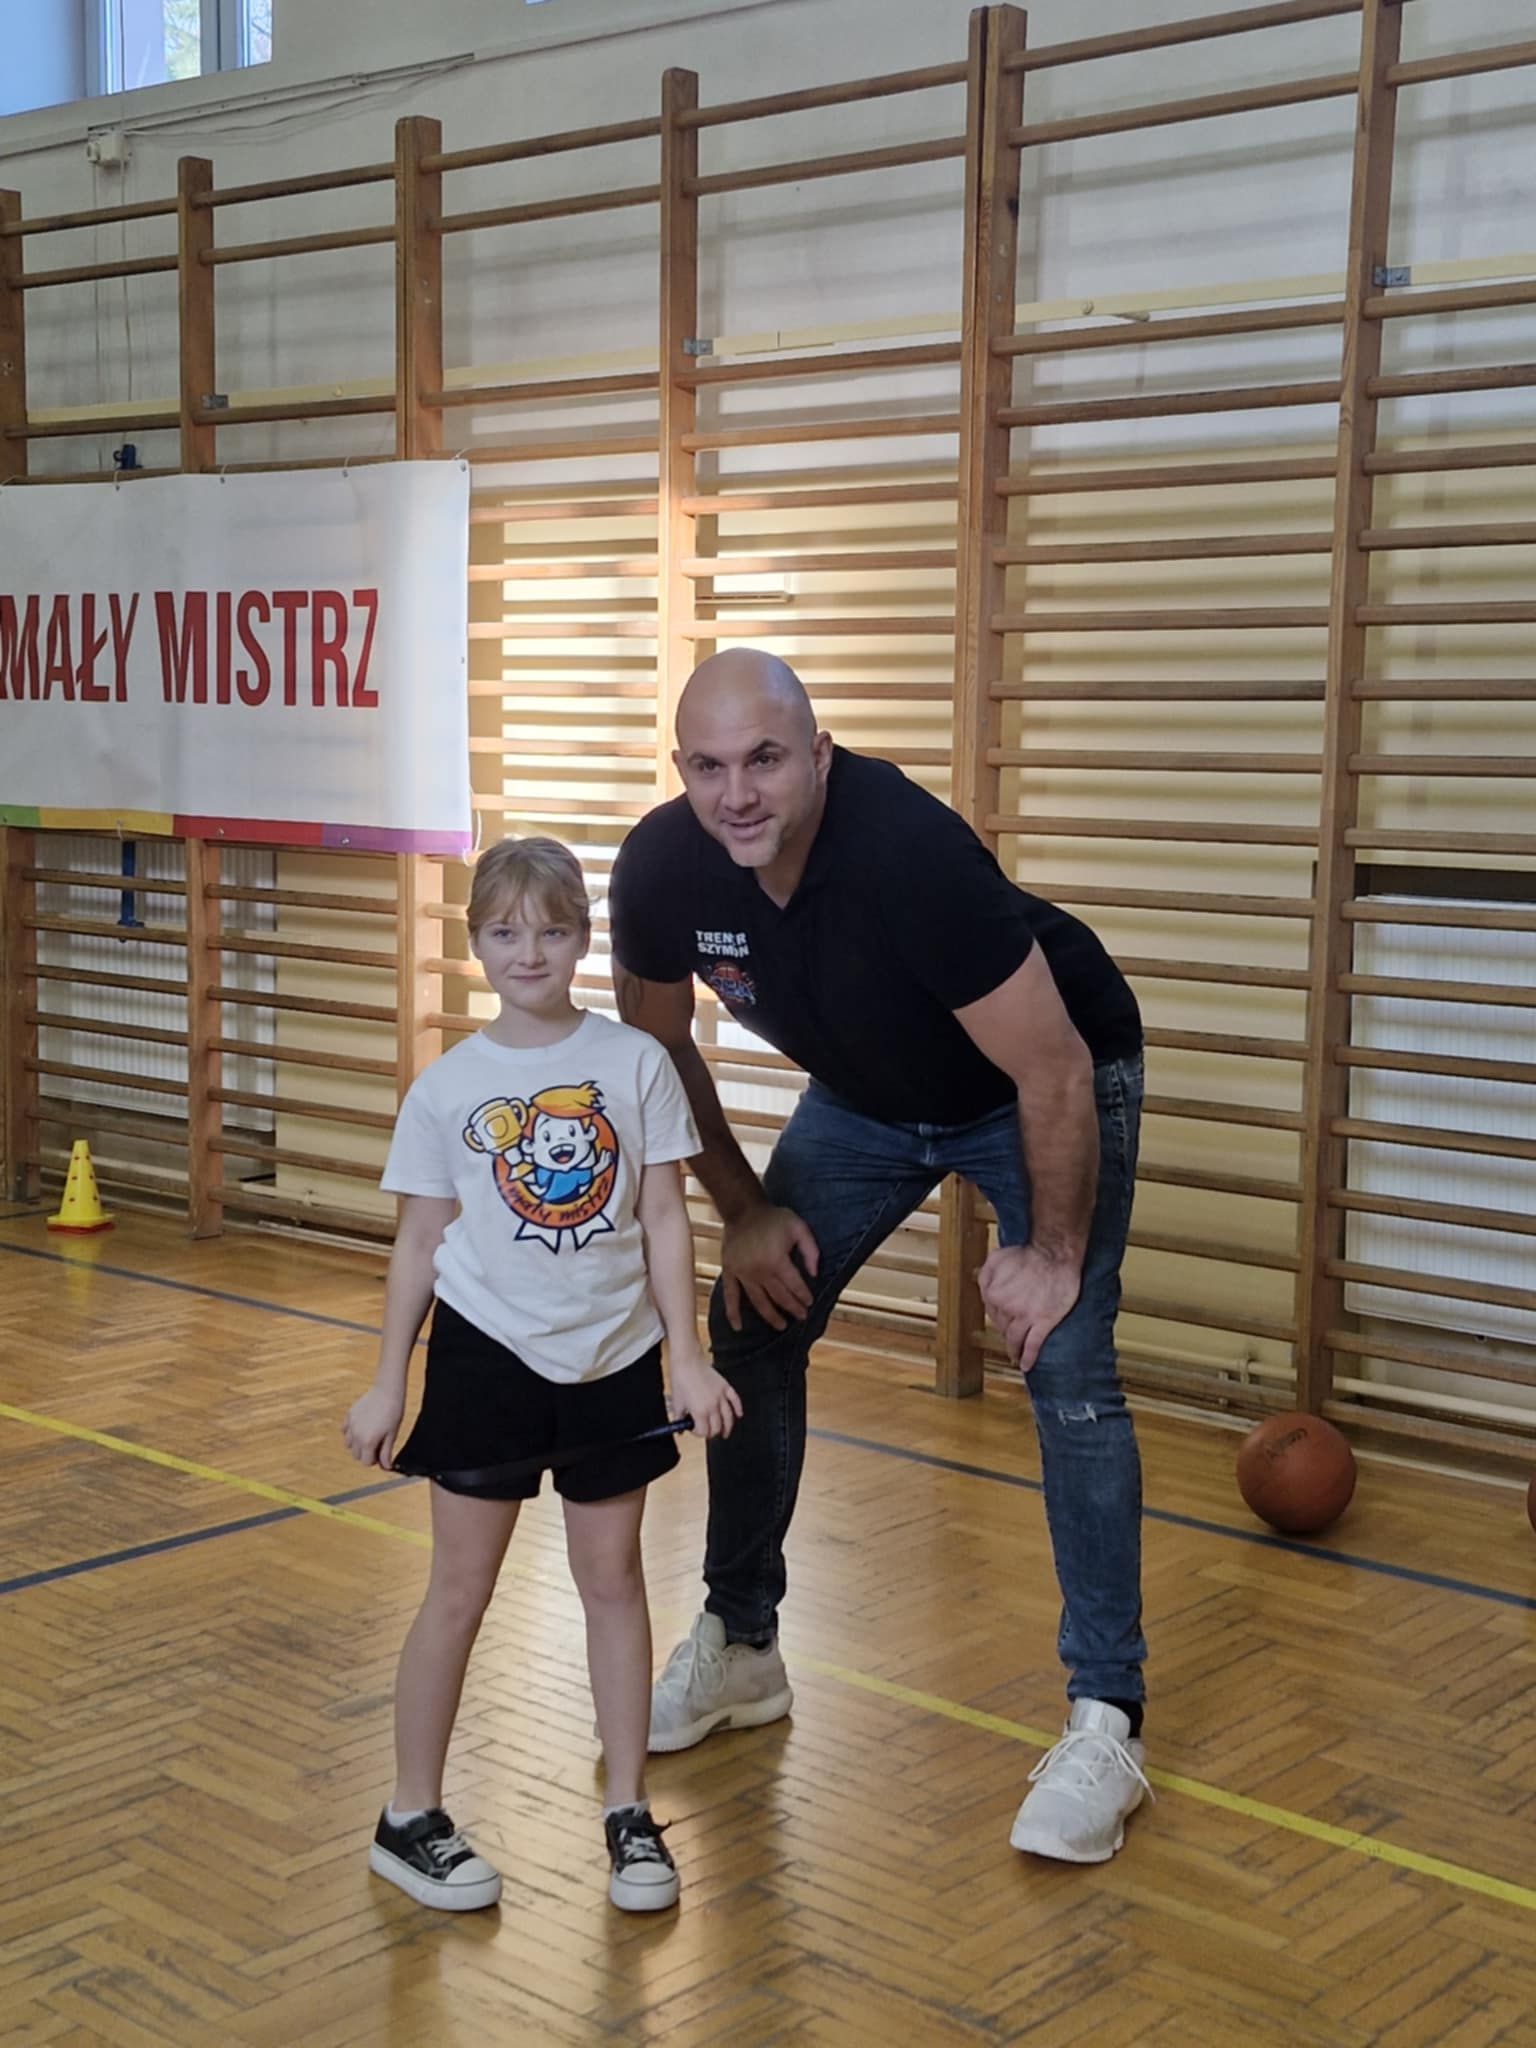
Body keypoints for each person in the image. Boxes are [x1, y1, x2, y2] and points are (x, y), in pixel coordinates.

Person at [608, 649, 1150, 1865]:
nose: (737, 793)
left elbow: (1054, 1065)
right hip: (866, 1094)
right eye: (708, 766)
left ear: (817, 753)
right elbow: (657, 1056)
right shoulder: (662, 864)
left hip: (1036, 1084)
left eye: (764, 760)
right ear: (680, 769)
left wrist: (1053, 1252)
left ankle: (1106, 1716)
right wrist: (744, 1208)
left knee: (1066, 1362)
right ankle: (745, 1644)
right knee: (753, 1316)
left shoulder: (907, 853)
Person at [342, 835, 741, 1913]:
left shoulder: (635, 1063)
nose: (530, 952)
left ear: (582, 939)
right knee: (458, 1589)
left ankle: (628, 1810)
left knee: (614, 1583)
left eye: (553, 931)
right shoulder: (448, 1088)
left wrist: (686, 1357)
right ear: (475, 942)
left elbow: (666, 1218)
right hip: (487, 1356)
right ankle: (408, 1816)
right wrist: (388, 1383)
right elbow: (419, 1241)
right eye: (506, 932)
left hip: (614, 1358)